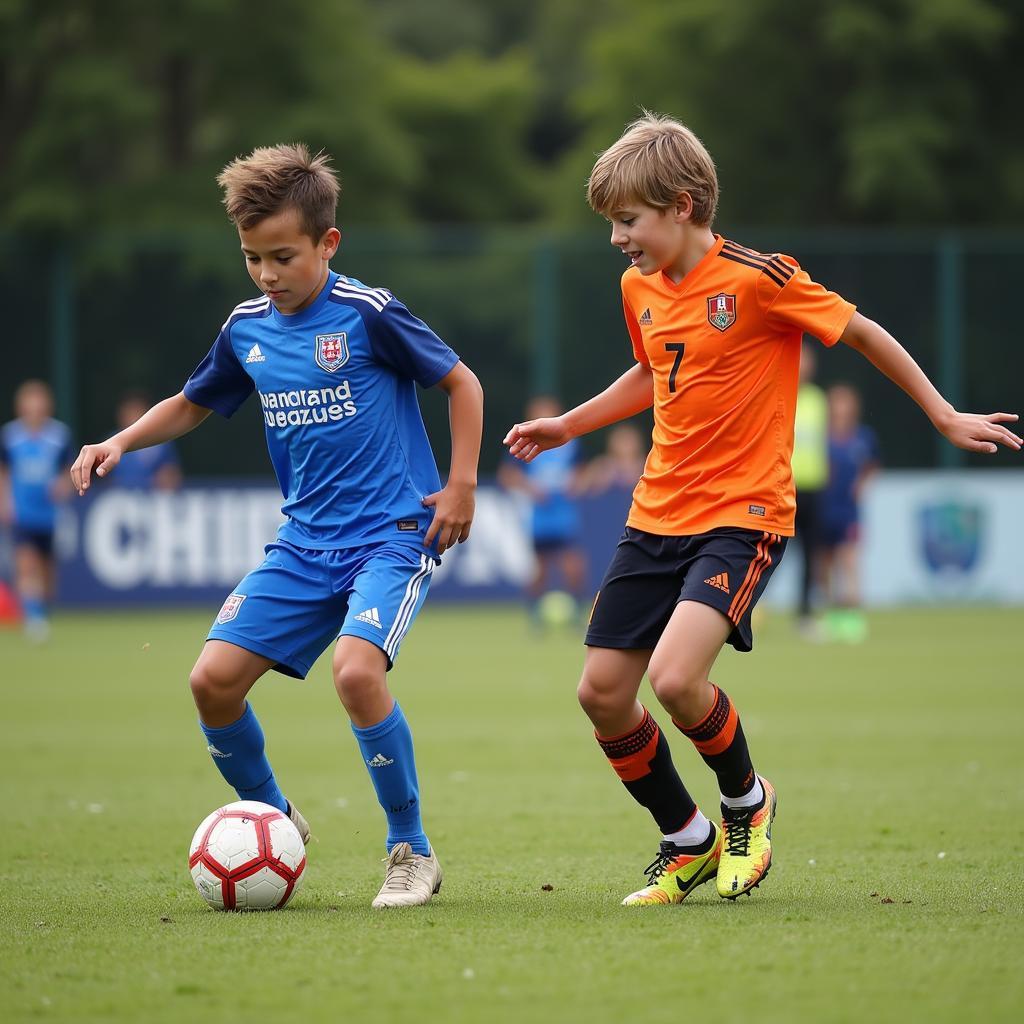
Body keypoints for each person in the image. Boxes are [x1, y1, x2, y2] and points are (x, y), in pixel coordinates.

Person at [504, 112, 1020, 907]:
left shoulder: (761, 278)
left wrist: (942, 412)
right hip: (656, 513)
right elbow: (653, 372)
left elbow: (863, 334)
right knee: (601, 693)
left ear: (681, 205)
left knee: (677, 680)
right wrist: (569, 422)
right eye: (612, 224)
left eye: (628, 221)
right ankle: (688, 841)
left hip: (743, 515)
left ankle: (747, 804)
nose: (618, 240)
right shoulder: (637, 284)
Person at [71, 144, 483, 909]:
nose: (267, 274)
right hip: (302, 544)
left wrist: (460, 485)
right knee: (212, 684)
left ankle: (411, 850)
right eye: (253, 258)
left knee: (357, 673)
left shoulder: (369, 314)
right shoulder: (246, 327)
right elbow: (193, 401)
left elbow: (461, 381)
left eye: (283, 257)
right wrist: (119, 441)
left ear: (328, 243)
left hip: (393, 534)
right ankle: (274, 816)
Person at [498, 395, 588, 626]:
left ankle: (578, 612)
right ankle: (534, 614)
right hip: (540, 515)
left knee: (573, 565)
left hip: (563, 513)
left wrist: (575, 483)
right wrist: (531, 488)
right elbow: (507, 475)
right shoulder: (525, 441)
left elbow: (581, 472)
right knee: (540, 568)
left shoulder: (570, 442)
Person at [0, 380, 72, 641]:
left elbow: (67, 472)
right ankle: (33, 619)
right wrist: (5, 502)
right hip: (22, 513)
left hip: (49, 515)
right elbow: (4, 473)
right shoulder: (10, 437)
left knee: (47, 573)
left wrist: (63, 486)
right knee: (26, 564)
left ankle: (41, 612)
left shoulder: (59, 436)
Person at [820, 384, 880, 643]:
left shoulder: (863, 437)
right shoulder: (821, 436)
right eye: (837, 402)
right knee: (825, 565)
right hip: (824, 507)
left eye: (846, 402)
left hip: (849, 510)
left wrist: (861, 485)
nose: (841, 407)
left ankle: (853, 620)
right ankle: (833, 619)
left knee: (850, 562)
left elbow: (872, 465)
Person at [791, 341, 829, 637]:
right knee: (763, 554)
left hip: (813, 487)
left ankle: (804, 613)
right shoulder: (778, 390)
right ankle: (746, 610)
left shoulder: (818, 400)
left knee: (809, 554)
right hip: (782, 486)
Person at [110, 393, 183, 490]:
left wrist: (165, 478)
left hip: (153, 498)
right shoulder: (111, 442)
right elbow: (102, 478)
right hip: (119, 497)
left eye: (137, 411)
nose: (133, 417)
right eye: (130, 412)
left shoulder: (161, 440)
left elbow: (172, 473)